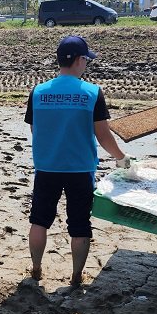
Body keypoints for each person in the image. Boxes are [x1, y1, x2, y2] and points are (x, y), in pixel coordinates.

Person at [25, 36, 130, 285]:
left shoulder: (38, 92)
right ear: (80, 60)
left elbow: (34, 129)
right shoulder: (92, 93)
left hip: (46, 166)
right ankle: (75, 276)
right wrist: (121, 158)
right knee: (80, 224)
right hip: (80, 169)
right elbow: (103, 135)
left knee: (39, 220)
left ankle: (37, 269)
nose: (86, 64)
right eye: (86, 59)